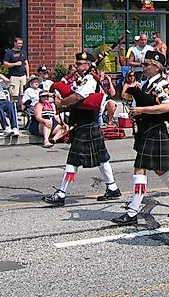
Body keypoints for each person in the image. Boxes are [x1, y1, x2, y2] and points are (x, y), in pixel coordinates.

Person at [110, 50, 169, 224]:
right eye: (144, 64)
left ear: (156, 67)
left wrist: (142, 110)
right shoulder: (146, 83)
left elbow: (167, 107)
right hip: (146, 129)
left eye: (147, 65)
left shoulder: (162, 84)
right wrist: (135, 113)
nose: (143, 67)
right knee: (161, 170)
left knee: (140, 168)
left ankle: (132, 212)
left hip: (155, 129)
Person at [42, 51, 121, 206]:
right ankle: (112, 187)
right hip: (84, 123)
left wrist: (62, 103)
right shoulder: (83, 79)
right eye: (77, 63)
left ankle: (61, 193)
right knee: (101, 157)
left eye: (80, 64)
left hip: (87, 123)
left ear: (88, 65)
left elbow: (78, 97)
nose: (77, 66)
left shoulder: (90, 80)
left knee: (73, 160)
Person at [3, 37, 29, 107]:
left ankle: (21, 109)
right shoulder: (9, 52)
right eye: (19, 43)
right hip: (14, 76)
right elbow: (5, 64)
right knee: (14, 95)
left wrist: (28, 75)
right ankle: (12, 109)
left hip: (23, 76)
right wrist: (15, 64)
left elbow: (26, 63)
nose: (20, 45)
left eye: (21, 44)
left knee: (22, 94)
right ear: (15, 43)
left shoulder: (23, 52)